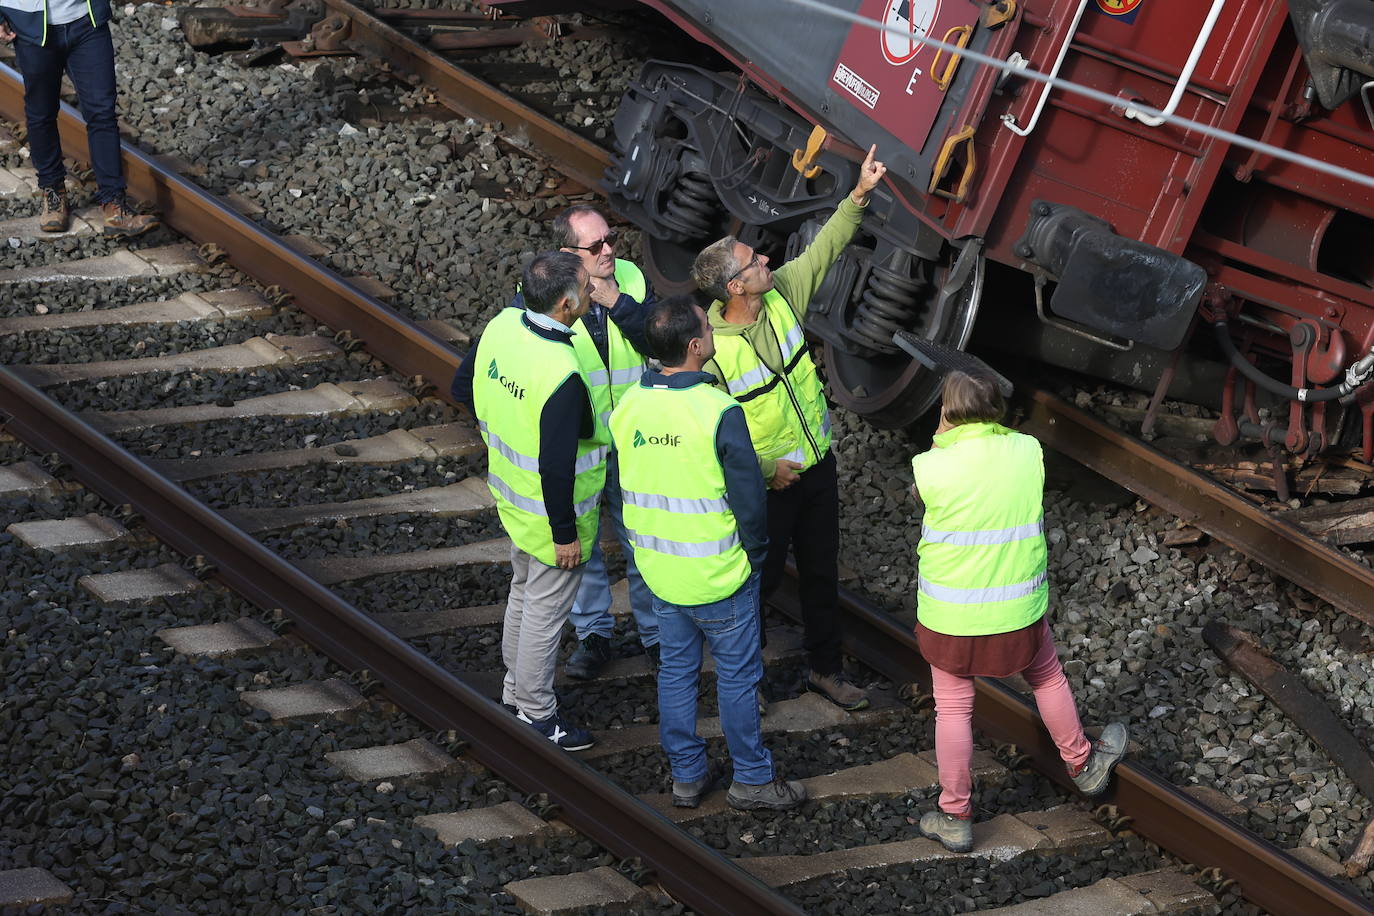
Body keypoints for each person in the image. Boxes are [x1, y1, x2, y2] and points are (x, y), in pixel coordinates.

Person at [689, 145, 886, 713]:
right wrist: (762, 472)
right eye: (755, 263)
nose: (767, 263)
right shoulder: (712, 354)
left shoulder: (781, 298)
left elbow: (825, 249)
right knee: (759, 584)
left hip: (816, 465)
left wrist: (858, 195)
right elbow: (713, 440)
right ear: (735, 288)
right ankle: (744, 681)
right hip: (768, 484)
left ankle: (826, 670)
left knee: (823, 574)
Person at [910, 370, 1128, 853]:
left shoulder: (930, 465)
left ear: (947, 411)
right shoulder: (1029, 451)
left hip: (949, 618)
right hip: (1017, 612)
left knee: (952, 709)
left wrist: (941, 441)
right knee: (1047, 677)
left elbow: (924, 498)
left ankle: (955, 814)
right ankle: (1082, 764)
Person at [610, 296, 804, 811]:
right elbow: (749, 502)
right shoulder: (718, 410)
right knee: (738, 678)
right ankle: (753, 780)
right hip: (720, 575)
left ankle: (687, 775)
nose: (713, 327)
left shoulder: (628, 406)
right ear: (696, 347)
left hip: (661, 571)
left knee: (676, 672)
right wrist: (756, 559)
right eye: (706, 326)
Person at [452, 205, 658, 680]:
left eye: (611, 239)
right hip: (581, 455)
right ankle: (594, 636)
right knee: (580, 554)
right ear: (567, 254)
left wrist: (618, 304)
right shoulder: (541, 297)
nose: (609, 251)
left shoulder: (630, 279)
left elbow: (659, 341)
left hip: (632, 444)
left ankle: (654, 637)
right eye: (595, 246)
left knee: (642, 543)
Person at [472, 250, 605, 751]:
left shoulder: (502, 328)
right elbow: (556, 466)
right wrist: (566, 533)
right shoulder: (561, 373)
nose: (594, 294)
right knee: (546, 616)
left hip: (514, 500)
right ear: (568, 305)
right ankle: (536, 712)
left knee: (524, 595)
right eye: (588, 290)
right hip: (550, 516)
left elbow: (468, 386)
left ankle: (513, 692)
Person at [0, 0, 160, 236]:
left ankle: (114, 205)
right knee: (41, 113)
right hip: (30, 24)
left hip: (87, 21)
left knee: (102, 113)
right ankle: (53, 192)